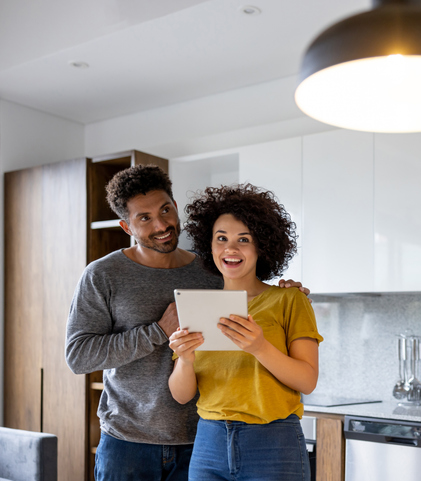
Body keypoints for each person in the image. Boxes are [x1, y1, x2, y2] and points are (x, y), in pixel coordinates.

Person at [65, 165, 310, 481]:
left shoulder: (211, 269)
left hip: (202, 441)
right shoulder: (102, 275)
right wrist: (157, 331)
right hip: (129, 442)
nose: (162, 224)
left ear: (175, 206)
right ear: (126, 226)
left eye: (166, 209)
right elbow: (79, 356)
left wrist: (292, 292)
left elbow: (256, 298)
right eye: (145, 218)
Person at [168, 184, 323, 481]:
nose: (231, 249)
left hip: (273, 442)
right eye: (221, 238)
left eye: (244, 240)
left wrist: (260, 347)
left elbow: (307, 380)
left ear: (261, 246)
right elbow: (181, 394)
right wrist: (185, 360)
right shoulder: (198, 306)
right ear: (209, 245)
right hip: (209, 442)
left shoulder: (290, 299)